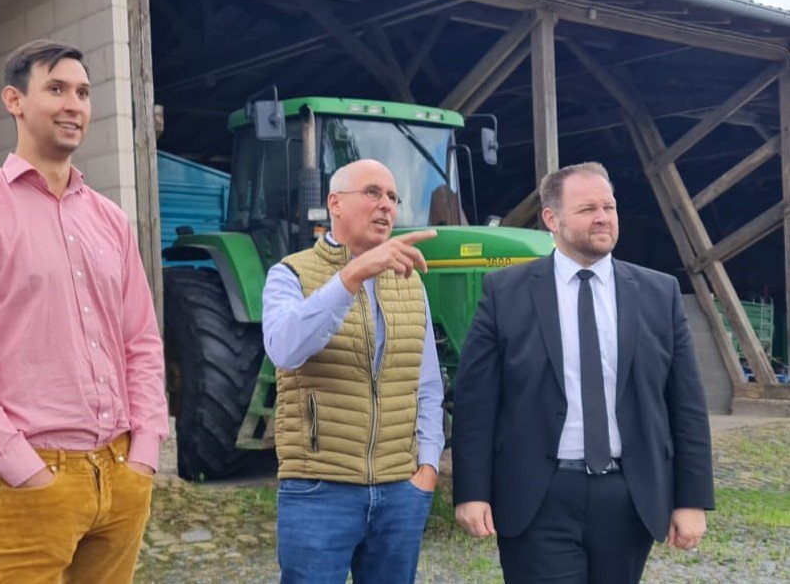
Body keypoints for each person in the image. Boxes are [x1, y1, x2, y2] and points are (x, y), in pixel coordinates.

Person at [0, 39, 168, 584]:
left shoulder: (111, 220)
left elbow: (141, 342)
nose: (73, 105)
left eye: (82, 92)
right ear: (14, 100)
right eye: (56, 89)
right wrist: (19, 466)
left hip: (122, 472)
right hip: (36, 476)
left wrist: (145, 451)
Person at [451, 161, 714, 584]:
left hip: (628, 496)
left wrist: (692, 499)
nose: (603, 217)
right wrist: (472, 492)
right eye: (588, 209)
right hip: (537, 495)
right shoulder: (505, 293)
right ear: (551, 219)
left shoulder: (659, 294)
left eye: (609, 207)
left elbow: (687, 405)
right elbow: (475, 402)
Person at [262, 159, 444, 584]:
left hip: (400, 491)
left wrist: (428, 468)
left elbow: (427, 386)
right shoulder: (289, 273)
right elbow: (285, 350)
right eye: (373, 193)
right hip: (318, 489)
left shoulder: (409, 282)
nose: (386, 205)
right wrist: (352, 276)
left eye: (393, 197)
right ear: (335, 203)